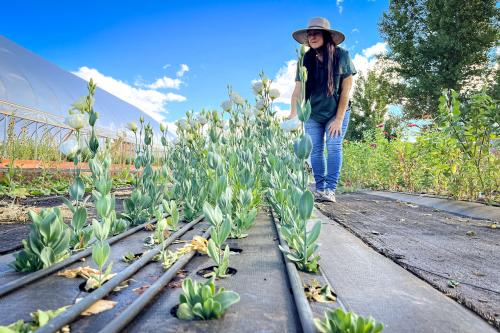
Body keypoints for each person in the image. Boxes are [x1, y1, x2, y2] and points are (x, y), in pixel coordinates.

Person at [288, 17, 356, 203]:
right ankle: (320, 189)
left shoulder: (342, 55)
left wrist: (339, 119)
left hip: (337, 111)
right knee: (315, 150)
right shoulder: (304, 59)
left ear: (326, 36)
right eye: (309, 34)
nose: (312, 36)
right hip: (313, 113)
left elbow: (346, 91)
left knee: (333, 146)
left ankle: (330, 190)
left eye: (316, 33)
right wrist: (293, 116)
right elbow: (297, 91)